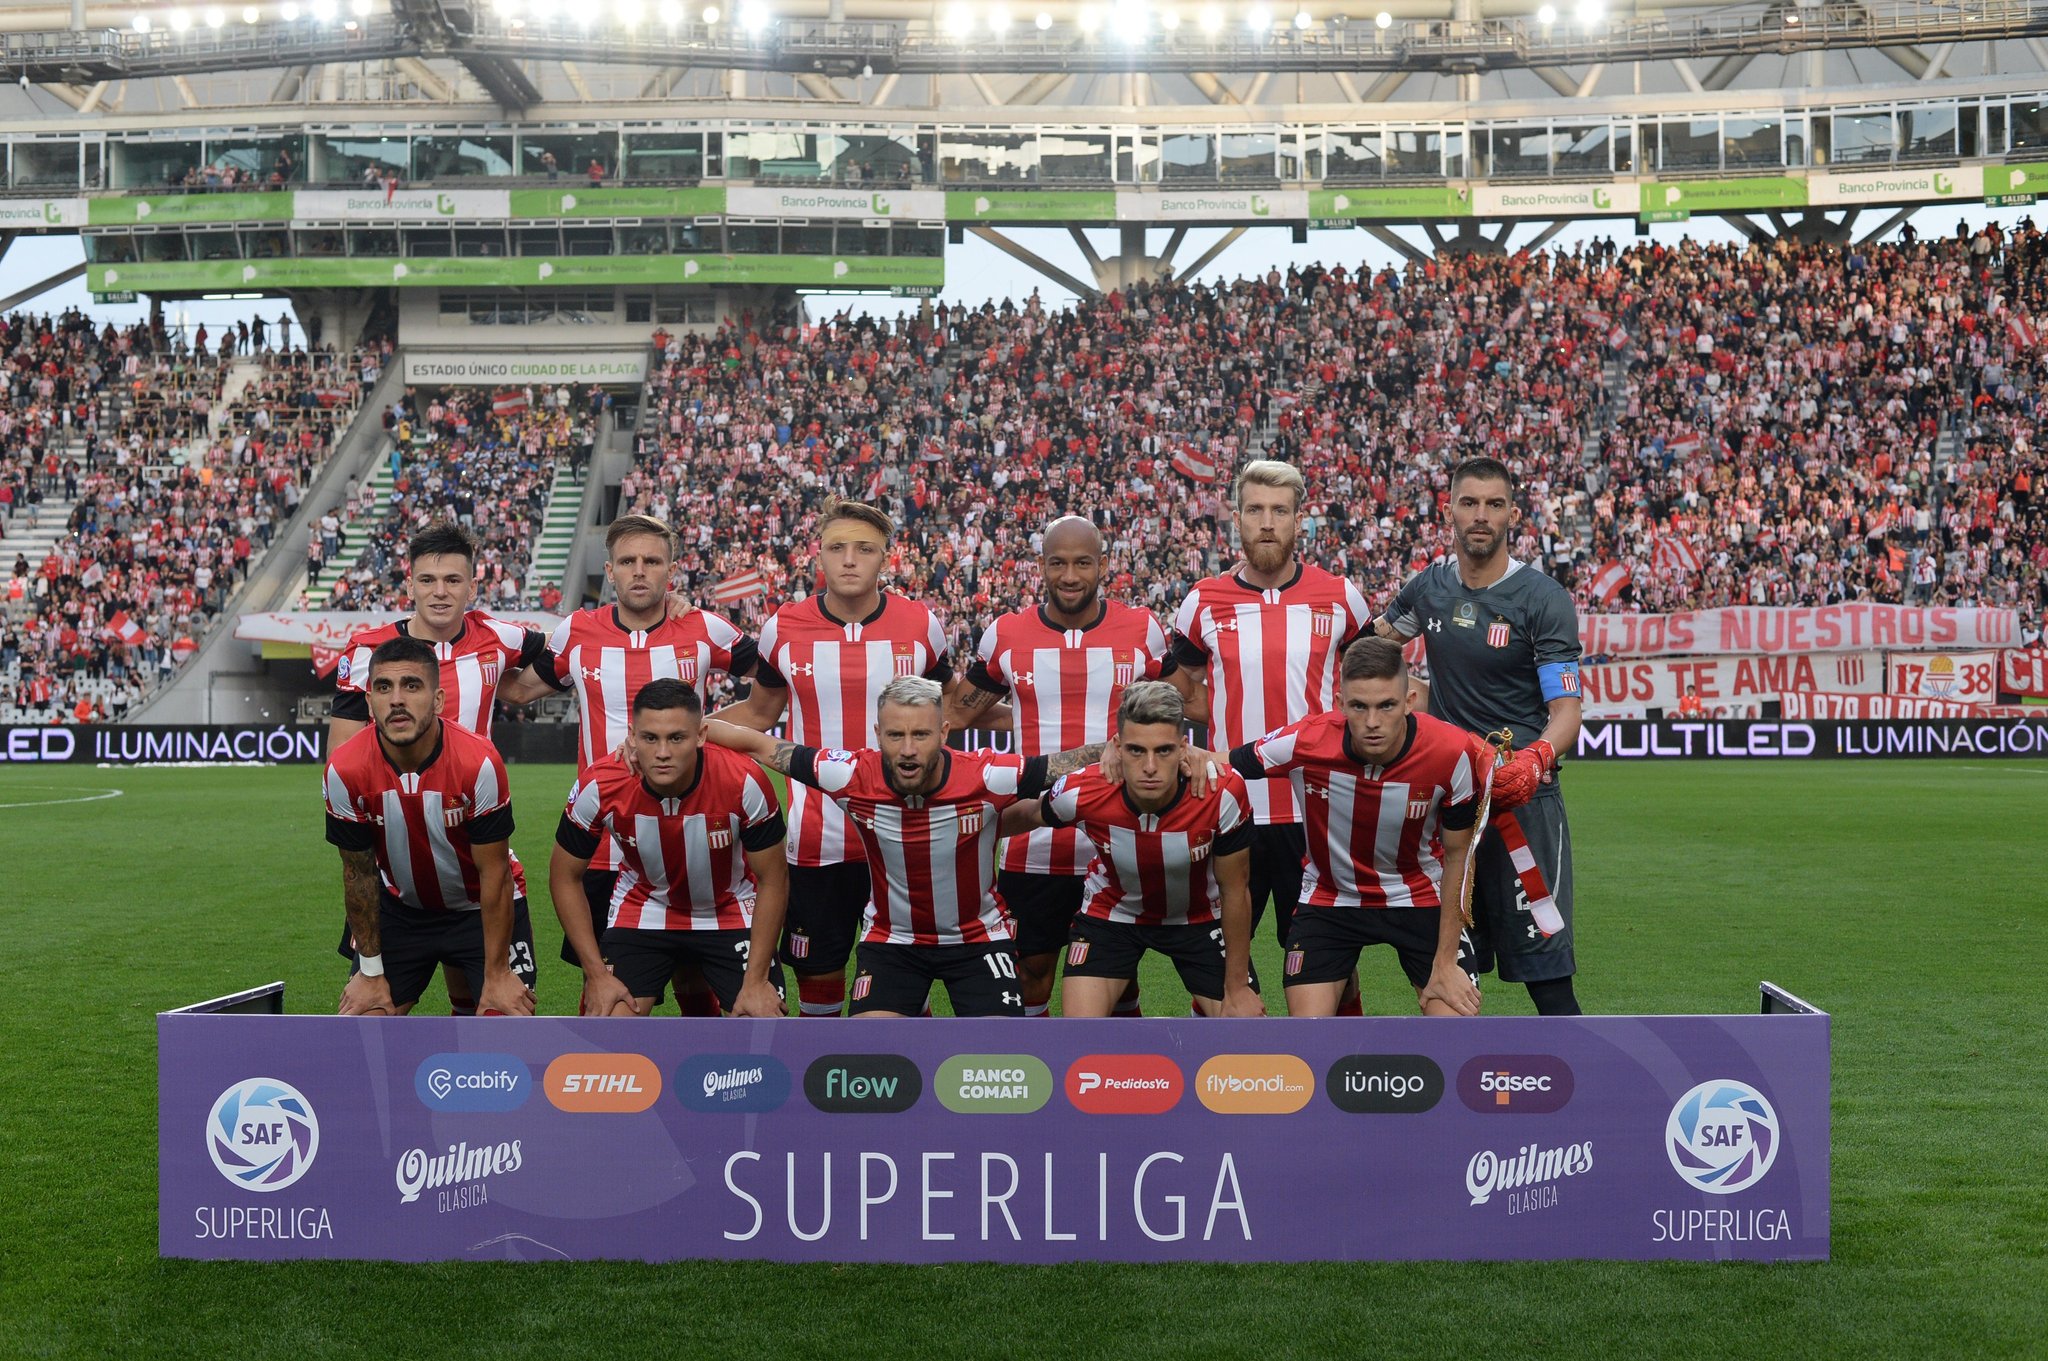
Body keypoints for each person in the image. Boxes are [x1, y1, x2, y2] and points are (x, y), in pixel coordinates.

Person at [708, 676, 1105, 1018]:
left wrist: (1121, 749)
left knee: (998, 1059)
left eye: (921, 734)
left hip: (978, 939)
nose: (909, 749)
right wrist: (688, 732)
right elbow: (759, 745)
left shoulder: (986, 775)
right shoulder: (850, 774)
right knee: (875, 1061)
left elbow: (1063, 764)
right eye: (896, 735)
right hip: (891, 943)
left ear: (944, 733)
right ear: (878, 735)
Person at [502, 513, 760, 1014]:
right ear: (610, 570)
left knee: (696, 974)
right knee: (606, 991)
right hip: (603, 838)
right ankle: (616, 1085)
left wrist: (710, 732)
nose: (639, 571)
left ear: (671, 571)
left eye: (652, 561)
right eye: (627, 561)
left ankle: (705, 1083)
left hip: (693, 829)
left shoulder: (702, 626)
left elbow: (771, 685)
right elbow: (518, 687)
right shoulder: (578, 630)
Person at [713, 499, 958, 1018]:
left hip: (903, 835)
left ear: (886, 559)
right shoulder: (784, 627)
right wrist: (684, 729)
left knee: (902, 973)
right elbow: (760, 712)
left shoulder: (921, 624)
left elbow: (953, 707)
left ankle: (906, 1084)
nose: (850, 560)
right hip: (815, 838)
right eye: (837, 548)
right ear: (817, 557)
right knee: (818, 978)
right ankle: (818, 1084)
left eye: (864, 549)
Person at [1374, 456, 1586, 1016]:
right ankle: (1460, 1094)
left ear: (1513, 513)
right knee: (1448, 973)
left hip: (1522, 802)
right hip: (1450, 808)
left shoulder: (1542, 599)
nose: (1481, 516)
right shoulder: (1429, 589)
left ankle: (1587, 1096)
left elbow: (1566, 709)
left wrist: (1537, 757)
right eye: (1469, 503)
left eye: (1494, 504)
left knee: (1546, 973)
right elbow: (1371, 652)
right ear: (1450, 510)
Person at [946, 515, 1174, 1017]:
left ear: (1103, 566)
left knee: (1119, 969)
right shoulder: (1005, 634)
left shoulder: (1143, 630)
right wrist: (1026, 715)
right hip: (1034, 838)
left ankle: (1117, 1084)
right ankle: (1040, 1079)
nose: (1070, 575)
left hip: (1119, 831)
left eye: (1082, 563)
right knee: (1032, 971)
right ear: (1041, 567)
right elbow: (958, 712)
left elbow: (1183, 706)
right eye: (1058, 563)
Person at [328, 522, 552, 1014]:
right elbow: (344, 762)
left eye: (453, 580)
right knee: (365, 1025)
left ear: (473, 586)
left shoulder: (499, 636)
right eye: (427, 580)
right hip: (397, 876)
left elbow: (568, 651)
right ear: (409, 585)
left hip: (475, 842)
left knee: (493, 1024)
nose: (440, 592)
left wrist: (516, 688)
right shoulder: (368, 651)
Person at [1167, 459, 1372, 992]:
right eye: (1255, 509)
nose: (1266, 522)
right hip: (1231, 807)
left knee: (1331, 962)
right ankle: (1229, 1067)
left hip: (1317, 808)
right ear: (1236, 518)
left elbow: (1369, 683)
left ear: (1298, 520)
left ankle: (1337, 1067)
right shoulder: (1201, 602)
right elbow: (1184, 691)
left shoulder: (1342, 597)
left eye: (1279, 511)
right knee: (1216, 959)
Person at [1216, 638, 1485, 1018]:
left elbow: (1460, 856)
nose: (1372, 722)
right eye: (1359, 706)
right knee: (1310, 1040)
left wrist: (1443, 963)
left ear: (1409, 702)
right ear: (1340, 703)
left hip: (1420, 896)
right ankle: (1346, 993)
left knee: (1455, 1029)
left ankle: (1359, 985)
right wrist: (1110, 752)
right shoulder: (1306, 741)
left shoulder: (1451, 752)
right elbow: (1216, 764)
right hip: (1330, 897)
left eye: (1386, 706)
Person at [1013, 681, 1262, 1019]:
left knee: (1246, 1034)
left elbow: (1236, 890)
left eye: (1163, 750)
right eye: (1135, 750)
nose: (1149, 767)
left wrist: (1236, 988)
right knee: (1080, 1038)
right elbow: (1026, 815)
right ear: (1116, 747)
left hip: (1201, 917)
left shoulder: (1222, 791)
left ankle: (1203, 1010)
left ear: (1183, 748)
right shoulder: (1085, 790)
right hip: (1112, 915)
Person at [549, 679, 789, 1019]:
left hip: (730, 907)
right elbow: (563, 877)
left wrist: (755, 980)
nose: (663, 752)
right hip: (644, 907)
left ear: (701, 735)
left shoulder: (743, 780)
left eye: (676, 738)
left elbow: (773, 880)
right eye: (650, 738)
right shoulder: (600, 784)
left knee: (763, 1022)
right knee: (609, 1023)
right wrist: (597, 974)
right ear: (632, 736)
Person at [322, 637, 535, 1018]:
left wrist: (498, 971)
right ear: (369, 702)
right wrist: (370, 972)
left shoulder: (478, 762)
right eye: (383, 687)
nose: (397, 699)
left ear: (438, 700)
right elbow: (358, 873)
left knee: (502, 1028)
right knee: (366, 1026)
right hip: (402, 910)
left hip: (477, 909)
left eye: (412, 685)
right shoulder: (344, 768)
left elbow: (495, 873)